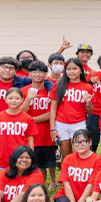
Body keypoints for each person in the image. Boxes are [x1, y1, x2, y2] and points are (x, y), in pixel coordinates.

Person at [52, 129, 101, 202]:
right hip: (65, 195)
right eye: (76, 142)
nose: (79, 144)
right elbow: (66, 183)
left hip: (85, 198)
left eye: (83, 141)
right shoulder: (68, 159)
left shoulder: (97, 160)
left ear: (90, 142)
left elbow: (91, 185)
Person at [21, 61, 57, 189]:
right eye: (34, 71)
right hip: (31, 134)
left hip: (47, 132)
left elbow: (50, 113)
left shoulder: (50, 91)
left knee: (51, 161)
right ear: (29, 74)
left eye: (41, 71)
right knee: (37, 162)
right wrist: (28, 98)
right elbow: (20, 112)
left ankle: (53, 181)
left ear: (45, 73)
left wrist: (32, 119)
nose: (37, 74)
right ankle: (39, 182)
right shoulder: (24, 91)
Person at [49, 58, 94, 159]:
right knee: (66, 155)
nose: (71, 71)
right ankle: (66, 174)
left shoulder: (87, 87)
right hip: (61, 123)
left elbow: (90, 111)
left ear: (81, 70)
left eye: (74, 68)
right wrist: (52, 128)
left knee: (78, 153)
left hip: (79, 123)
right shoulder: (58, 85)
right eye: (68, 69)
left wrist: (88, 103)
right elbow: (53, 108)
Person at [0, 87, 36, 173]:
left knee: (20, 184)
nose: (14, 101)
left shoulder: (27, 118)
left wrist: (29, 157)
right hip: (1, 160)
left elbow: (30, 139)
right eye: (10, 98)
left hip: (21, 159)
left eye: (17, 98)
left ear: (22, 100)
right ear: (5, 100)